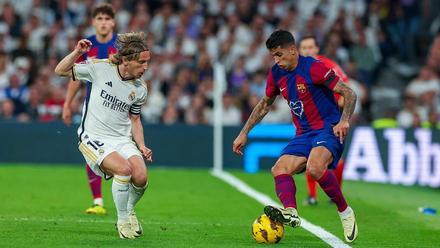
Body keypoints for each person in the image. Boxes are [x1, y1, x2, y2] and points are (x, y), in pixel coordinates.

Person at [232, 30, 358, 243]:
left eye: (279, 54)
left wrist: (344, 120)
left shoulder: (314, 67)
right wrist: (244, 133)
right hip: (303, 134)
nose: (276, 60)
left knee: (315, 167)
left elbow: (349, 93)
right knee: (279, 169)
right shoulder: (276, 74)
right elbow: (264, 105)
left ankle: (345, 211)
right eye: (273, 56)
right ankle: (291, 211)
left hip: (328, 129)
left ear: (292, 50)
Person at [54, 31, 152, 239]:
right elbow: (60, 70)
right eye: (142, 63)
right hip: (93, 136)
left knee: (141, 178)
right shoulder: (100, 68)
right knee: (124, 170)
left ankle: (129, 210)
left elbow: (135, 120)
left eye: (147, 62)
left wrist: (141, 145)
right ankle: (123, 221)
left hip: (122, 139)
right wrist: (76, 52)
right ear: (127, 60)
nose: (146, 67)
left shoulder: (140, 89)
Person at [62, 3, 118, 215]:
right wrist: (67, 104)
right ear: (94, 22)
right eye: (99, 19)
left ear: (112, 22)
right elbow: (76, 77)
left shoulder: (121, 45)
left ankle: (124, 201)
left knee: (120, 152)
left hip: (117, 108)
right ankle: (98, 201)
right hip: (92, 107)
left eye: (106, 19)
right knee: (90, 151)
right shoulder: (86, 45)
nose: (103, 22)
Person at [298, 35, 348, 206]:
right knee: (308, 156)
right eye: (304, 48)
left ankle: (335, 195)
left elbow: (346, 92)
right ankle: (312, 196)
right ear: (298, 50)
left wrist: (340, 116)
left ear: (317, 49)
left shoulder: (330, 66)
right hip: (307, 120)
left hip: (331, 120)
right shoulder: (296, 69)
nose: (307, 51)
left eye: (310, 47)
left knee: (335, 160)